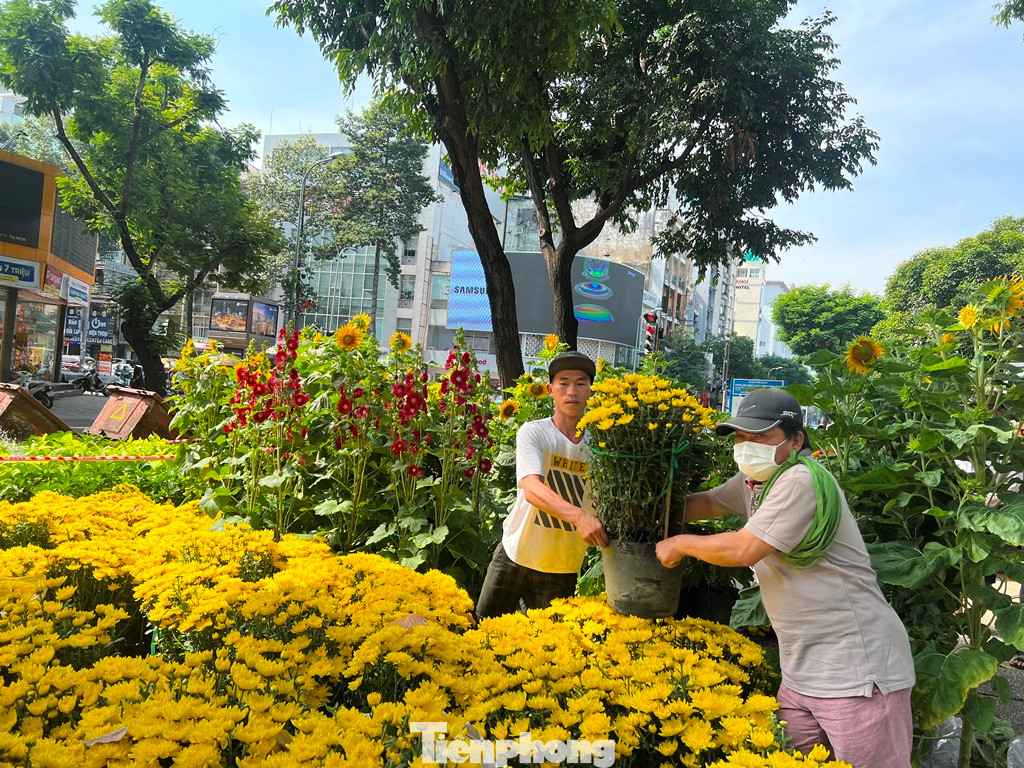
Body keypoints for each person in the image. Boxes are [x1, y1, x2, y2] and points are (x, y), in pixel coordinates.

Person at [655, 387, 914, 768]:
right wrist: (644, 503)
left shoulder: (800, 481)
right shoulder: (756, 483)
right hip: (801, 674)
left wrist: (679, 543)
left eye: (761, 437)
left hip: (857, 673)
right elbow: (707, 502)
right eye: (742, 437)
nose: (747, 446)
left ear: (795, 440)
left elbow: (745, 548)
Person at [475, 351, 609, 620]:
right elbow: (532, 488)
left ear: (591, 391)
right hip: (515, 554)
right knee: (483, 631)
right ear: (550, 390)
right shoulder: (534, 432)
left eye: (581, 383)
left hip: (561, 568)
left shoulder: (604, 445)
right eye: (564, 382)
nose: (572, 391)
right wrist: (580, 517)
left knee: (545, 651)